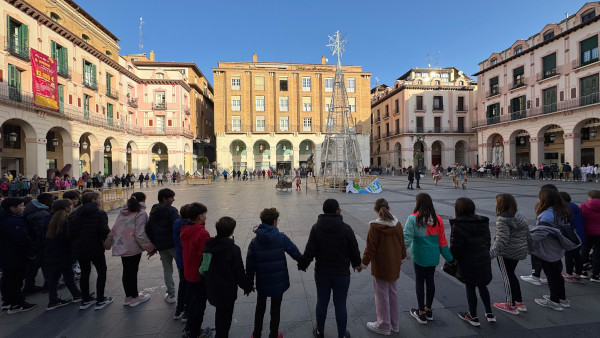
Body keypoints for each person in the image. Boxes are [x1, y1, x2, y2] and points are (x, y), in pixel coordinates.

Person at [298, 199, 361, 338]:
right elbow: (354, 250)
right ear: (337, 210)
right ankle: (342, 334)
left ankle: (320, 331)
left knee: (322, 301)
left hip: (322, 273)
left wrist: (303, 264)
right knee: (340, 304)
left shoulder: (316, 228)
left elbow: (310, 250)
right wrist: (357, 264)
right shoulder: (346, 228)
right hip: (341, 273)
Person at [246, 208, 302, 338]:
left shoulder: (254, 242)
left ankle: (257, 333)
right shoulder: (281, 238)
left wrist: (248, 284)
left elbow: (249, 266)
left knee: (260, 307)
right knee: (276, 309)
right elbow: (296, 253)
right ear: (274, 222)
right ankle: (274, 334)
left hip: (262, 282)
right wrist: (304, 262)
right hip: (278, 282)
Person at [404, 193, 454, 324]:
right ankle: (429, 309)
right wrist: (450, 258)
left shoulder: (413, 219)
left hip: (419, 256)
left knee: (420, 281)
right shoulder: (438, 220)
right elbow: (442, 242)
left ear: (418, 203)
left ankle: (420, 312)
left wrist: (398, 254)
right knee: (430, 281)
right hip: (433, 256)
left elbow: (406, 240)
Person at [359, 199, 406, 335]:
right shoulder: (397, 225)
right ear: (388, 208)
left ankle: (383, 325)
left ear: (375, 210)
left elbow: (370, 249)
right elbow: (402, 244)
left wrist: (363, 264)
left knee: (381, 295)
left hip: (381, 266)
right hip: (394, 265)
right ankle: (394, 324)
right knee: (393, 293)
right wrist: (402, 257)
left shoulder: (375, 227)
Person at [200, 216, 252, 338]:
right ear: (232, 231)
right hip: (227, 290)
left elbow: (204, 267)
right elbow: (238, 272)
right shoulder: (233, 249)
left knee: (220, 312)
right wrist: (247, 286)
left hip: (212, 288)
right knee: (226, 316)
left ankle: (220, 332)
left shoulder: (208, 245)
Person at [449, 198, 496, 326]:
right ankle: (489, 313)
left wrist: (452, 260)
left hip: (467, 261)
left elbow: (456, 247)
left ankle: (473, 316)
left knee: (470, 287)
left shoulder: (458, 225)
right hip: (482, 258)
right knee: (482, 285)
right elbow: (488, 240)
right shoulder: (482, 221)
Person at [531, 188, 579, 311]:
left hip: (548, 249)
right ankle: (561, 298)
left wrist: (528, 242)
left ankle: (554, 301)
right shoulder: (562, 211)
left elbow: (539, 234)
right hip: (558, 248)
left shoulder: (547, 214)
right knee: (557, 274)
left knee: (551, 275)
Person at [68, 191, 113, 310]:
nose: (101, 200)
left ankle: (85, 299)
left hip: (79, 248)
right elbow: (104, 231)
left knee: (84, 273)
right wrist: (108, 241)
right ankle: (100, 299)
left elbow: (69, 233)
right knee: (101, 271)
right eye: (99, 198)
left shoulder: (74, 214)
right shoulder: (100, 213)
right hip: (95, 247)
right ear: (93, 200)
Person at [110, 192, 155, 307]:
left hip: (121, 245)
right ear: (143, 200)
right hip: (133, 246)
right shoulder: (140, 213)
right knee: (133, 271)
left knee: (126, 271)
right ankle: (135, 297)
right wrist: (150, 247)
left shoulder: (122, 212)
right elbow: (140, 234)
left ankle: (128, 296)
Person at [489, 194, 530, 315]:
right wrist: (530, 247)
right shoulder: (519, 214)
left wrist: (490, 255)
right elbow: (527, 232)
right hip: (519, 249)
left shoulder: (503, 219)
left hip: (507, 252)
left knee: (507, 277)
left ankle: (510, 304)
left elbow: (501, 241)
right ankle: (519, 302)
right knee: (511, 275)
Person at [42, 199, 82, 310]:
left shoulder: (47, 219)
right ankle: (77, 295)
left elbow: (41, 238)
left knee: (54, 277)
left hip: (50, 252)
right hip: (63, 253)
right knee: (68, 275)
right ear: (66, 208)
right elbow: (68, 239)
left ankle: (53, 300)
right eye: (70, 206)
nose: (71, 207)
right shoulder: (65, 221)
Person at [0, 197, 37, 314]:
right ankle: (17, 303)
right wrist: (31, 252)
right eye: (21, 206)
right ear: (12, 208)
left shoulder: (4, 218)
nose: (23, 208)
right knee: (15, 279)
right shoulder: (12, 221)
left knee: (7, 278)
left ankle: (7, 301)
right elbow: (21, 238)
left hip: (5, 255)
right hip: (14, 255)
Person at [181, 203, 211, 338]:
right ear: (200, 216)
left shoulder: (185, 230)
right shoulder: (202, 233)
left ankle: (189, 328)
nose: (206, 217)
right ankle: (195, 333)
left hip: (188, 271)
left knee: (193, 300)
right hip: (198, 273)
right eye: (204, 214)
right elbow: (203, 256)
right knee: (200, 303)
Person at [145, 188, 180, 304]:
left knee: (167, 270)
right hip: (173, 244)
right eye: (171, 198)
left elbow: (148, 228)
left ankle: (171, 294)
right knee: (182, 268)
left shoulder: (153, 211)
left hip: (161, 246)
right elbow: (177, 227)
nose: (173, 200)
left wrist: (155, 243)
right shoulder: (171, 211)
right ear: (164, 199)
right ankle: (185, 291)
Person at [23, 193, 54, 293]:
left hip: (34, 243)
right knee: (45, 264)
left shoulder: (34, 208)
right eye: (51, 200)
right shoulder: (40, 214)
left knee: (33, 266)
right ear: (45, 201)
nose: (52, 202)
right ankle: (49, 284)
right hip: (39, 243)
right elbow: (42, 232)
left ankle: (29, 285)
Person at [559, 192, 585, 283]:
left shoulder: (565, 209)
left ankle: (569, 274)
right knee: (577, 255)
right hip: (580, 234)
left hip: (571, 235)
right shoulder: (575, 206)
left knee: (569, 255)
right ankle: (578, 274)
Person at [173, 204, 190, 321]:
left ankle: (179, 309)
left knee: (183, 284)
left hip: (180, 259)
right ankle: (187, 312)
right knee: (189, 286)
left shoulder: (176, 224)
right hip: (188, 261)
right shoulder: (186, 228)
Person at [580, 190, 600, 282]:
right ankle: (595, 275)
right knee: (598, 254)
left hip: (587, 232)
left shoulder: (583, 206)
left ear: (590, 197)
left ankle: (583, 271)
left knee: (584, 250)